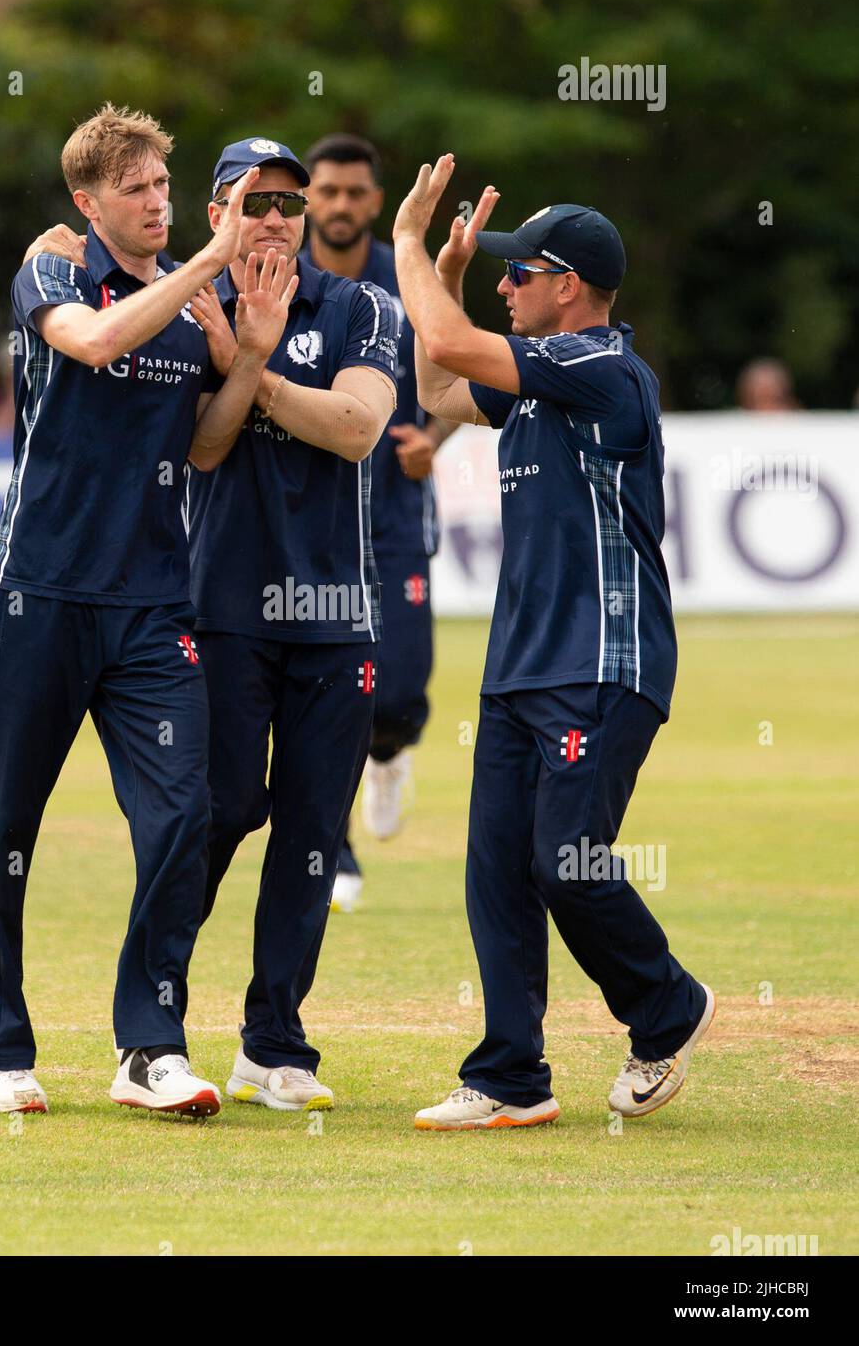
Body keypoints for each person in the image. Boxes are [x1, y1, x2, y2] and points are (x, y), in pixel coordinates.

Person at [0, 104, 295, 1119]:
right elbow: (97, 344)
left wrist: (246, 359)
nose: (157, 203)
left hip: (153, 603)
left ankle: (149, 1045)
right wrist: (208, 265)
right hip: (38, 594)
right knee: (3, 827)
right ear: (87, 202)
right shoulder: (56, 273)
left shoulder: (190, 309)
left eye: (164, 186)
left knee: (188, 811)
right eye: (138, 189)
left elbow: (201, 447)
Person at [392, 158, 714, 1131]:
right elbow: (437, 381)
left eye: (516, 272)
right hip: (521, 668)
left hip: (603, 661)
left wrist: (407, 246)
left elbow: (451, 341)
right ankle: (508, 1077)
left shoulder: (599, 367)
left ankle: (666, 1006)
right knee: (497, 868)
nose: (504, 284)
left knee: (563, 858)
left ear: (565, 284)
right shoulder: (534, 384)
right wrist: (444, 278)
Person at [184, 136, 401, 1111]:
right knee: (220, 811)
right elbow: (203, 443)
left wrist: (254, 371)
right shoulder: (184, 307)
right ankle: (152, 1028)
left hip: (335, 617)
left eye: (287, 199)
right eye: (252, 198)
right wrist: (238, 358)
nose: (273, 215)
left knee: (313, 832)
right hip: (220, 612)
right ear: (216, 212)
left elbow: (355, 430)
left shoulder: (362, 308)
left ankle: (273, 1043)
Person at [301, 133, 446, 914]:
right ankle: (336, 848)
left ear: (376, 201)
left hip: (395, 515)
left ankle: (391, 753)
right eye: (328, 191)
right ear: (310, 199)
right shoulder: (296, 282)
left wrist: (434, 438)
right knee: (327, 686)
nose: (342, 205)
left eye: (356, 192)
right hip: (315, 521)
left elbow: (461, 367)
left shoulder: (405, 282)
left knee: (397, 691)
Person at [735, 357, 801, 412]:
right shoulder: (731, 425)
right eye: (759, 401)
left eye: (775, 400)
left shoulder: (803, 424)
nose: (766, 409)